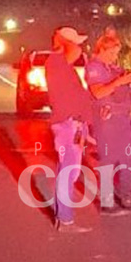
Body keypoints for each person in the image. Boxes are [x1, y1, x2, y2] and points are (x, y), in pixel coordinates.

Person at [86, 29, 131, 213]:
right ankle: (107, 199)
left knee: (127, 157)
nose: (114, 56)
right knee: (108, 159)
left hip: (123, 119)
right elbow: (98, 92)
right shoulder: (94, 67)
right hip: (106, 120)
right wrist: (118, 82)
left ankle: (125, 195)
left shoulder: (115, 68)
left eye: (116, 53)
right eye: (111, 52)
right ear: (101, 49)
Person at [46, 26, 93, 232]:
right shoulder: (57, 62)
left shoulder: (63, 66)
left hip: (72, 124)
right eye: (76, 42)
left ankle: (63, 217)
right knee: (69, 172)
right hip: (67, 124)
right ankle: (65, 220)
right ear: (66, 43)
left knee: (67, 171)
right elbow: (75, 52)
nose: (80, 48)